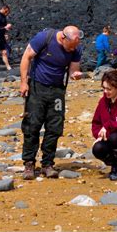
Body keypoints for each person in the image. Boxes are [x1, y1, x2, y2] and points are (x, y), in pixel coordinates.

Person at [20, 25, 84, 180]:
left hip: (57, 91)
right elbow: (26, 57)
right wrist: (23, 83)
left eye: (75, 47)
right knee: (32, 125)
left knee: (54, 127)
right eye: (70, 47)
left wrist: (75, 74)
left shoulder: (76, 48)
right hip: (37, 87)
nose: (72, 50)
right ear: (63, 38)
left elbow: (73, 69)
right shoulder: (44, 38)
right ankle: (29, 163)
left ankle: (47, 164)